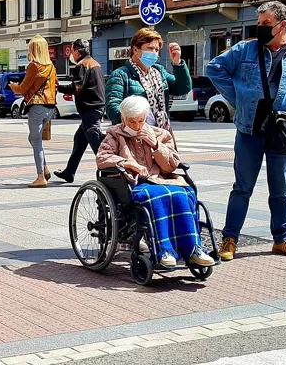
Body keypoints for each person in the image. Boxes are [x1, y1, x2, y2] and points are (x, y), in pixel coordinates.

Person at [205, 0, 286, 262]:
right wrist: (237, 98)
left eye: (266, 24)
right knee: (242, 187)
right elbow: (214, 68)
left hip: (284, 130)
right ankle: (230, 239)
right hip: (249, 129)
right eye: (259, 23)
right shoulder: (245, 49)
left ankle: (282, 239)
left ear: (283, 24)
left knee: (281, 189)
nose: (261, 28)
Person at [98, 96, 216, 270]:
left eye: (141, 121)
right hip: (135, 183)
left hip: (162, 179)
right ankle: (165, 251)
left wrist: (155, 144)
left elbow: (172, 164)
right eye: (132, 122)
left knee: (184, 193)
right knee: (157, 196)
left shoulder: (160, 133)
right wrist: (126, 163)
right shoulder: (115, 134)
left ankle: (193, 249)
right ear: (123, 118)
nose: (137, 126)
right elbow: (102, 157)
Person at [104, 28, 191, 128]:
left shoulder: (159, 72)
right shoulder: (120, 75)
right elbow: (112, 108)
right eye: (150, 48)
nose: (154, 53)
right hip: (134, 136)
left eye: (157, 50)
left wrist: (177, 63)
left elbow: (183, 88)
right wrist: (134, 123)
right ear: (135, 50)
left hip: (160, 134)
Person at [53, 38, 106, 185]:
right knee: (80, 140)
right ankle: (69, 172)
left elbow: (76, 88)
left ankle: (109, 170)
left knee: (97, 145)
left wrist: (58, 87)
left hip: (89, 109)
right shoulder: (96, 64)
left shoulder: (81, 66)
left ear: (76, 52)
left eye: (72, 51)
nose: (71, 54)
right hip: (96, 107)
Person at [9, 36, 59, 188]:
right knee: (33, 138)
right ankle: (45, 168)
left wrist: (13, 86)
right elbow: (55, 86)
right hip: (50, 107)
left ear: (33, 49)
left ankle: (40, 177)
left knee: (36, 141)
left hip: (37, 106)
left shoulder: (33, 66)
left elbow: (23, 88)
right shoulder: (51, 66)